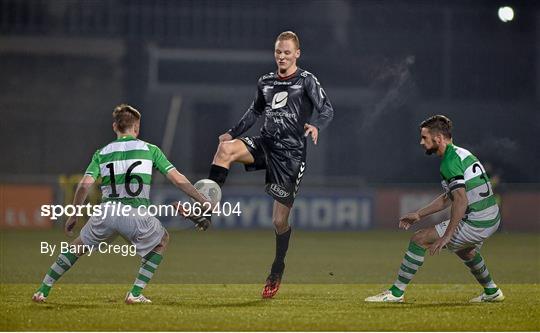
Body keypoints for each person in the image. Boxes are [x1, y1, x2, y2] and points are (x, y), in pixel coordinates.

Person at [32, 104, 209, 304]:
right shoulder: (150, 150)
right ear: (137, 128)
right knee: (162, 240)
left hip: (106, 212)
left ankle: (43, 289)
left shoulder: (102, 153)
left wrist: (74, 214)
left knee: (77, 247)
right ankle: (135, 293)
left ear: (115, 126)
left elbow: (83, 186)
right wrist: (201, 199)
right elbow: (178, 179)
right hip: (135, 213)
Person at [207, 31, 334, 298]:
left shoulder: (306, 80)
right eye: (278, 52)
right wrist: (232, 132)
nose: (282, 56)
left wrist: (316, 125)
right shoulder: (265, 81)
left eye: (287, 52)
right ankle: (205, 207)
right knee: (224, 150)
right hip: (267, 143)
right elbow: (255, 111)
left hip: (290, 156)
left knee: (278, 222)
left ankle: (277, 268)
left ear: (297, 54)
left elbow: (327, 109)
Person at [365, 115, 504, 303]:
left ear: (438, 138)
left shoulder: (449, 162)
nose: (421, 142)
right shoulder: (461, 153)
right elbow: (449, 197)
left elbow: (460, 201)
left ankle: (396, 293)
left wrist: (447, 236)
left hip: (479, 219)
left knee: (420, 239)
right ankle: (492, 291)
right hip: (492, 215)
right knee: (465, 250)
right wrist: (418, 214)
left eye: (424, 137)